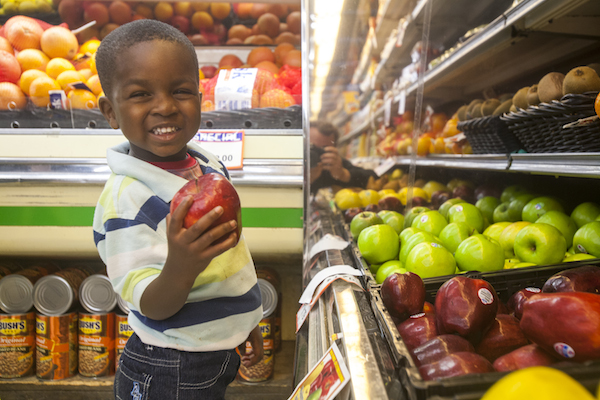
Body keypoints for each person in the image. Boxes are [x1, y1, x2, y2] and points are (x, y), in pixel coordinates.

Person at [92, 20, 263, 400]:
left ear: (200, 99)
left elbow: (230, 258)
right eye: (140, 94)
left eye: (181, 91)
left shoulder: (208, 167)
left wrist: (246, 319)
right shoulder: (128, 199)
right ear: (111, 112)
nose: (166, 107)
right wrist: (181, 266)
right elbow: (150, 304)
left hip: (209, 350)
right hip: (168, 365)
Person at [310, 121, 377, 193]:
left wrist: (343, 174)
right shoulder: (297, 164)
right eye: (311, 147)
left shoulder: (332, 163)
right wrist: (306, 180)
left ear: (334, 148)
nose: (315, 154)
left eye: (322, 149)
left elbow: (374, 178)